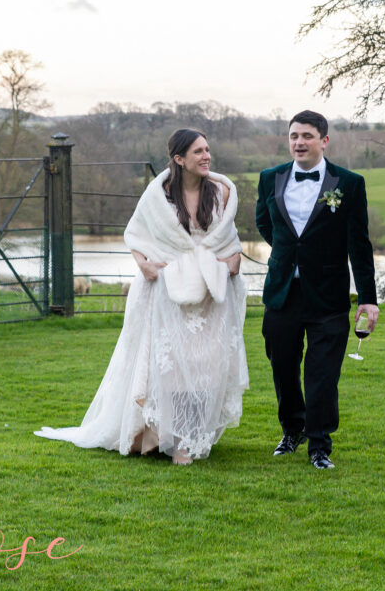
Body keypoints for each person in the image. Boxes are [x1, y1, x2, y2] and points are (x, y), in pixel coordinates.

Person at [36, 129, 248, 465]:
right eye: (198, 151)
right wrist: (145, 265)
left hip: (209, 295)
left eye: (207, 150)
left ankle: (193, 434)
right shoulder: (158, 196)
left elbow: (230, 242)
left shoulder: (220, 193)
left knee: (204, 366)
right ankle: (176, 442)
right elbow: (136, 235)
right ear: (179, 159)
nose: (206, 156)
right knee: (174, 367)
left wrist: (230, 263)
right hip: (167, 293)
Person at [255, 110, 379, 470]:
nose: (299, 142)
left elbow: (359, 244)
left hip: (328, 294)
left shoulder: (349, 183)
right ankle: (292, 431)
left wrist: (368, 299)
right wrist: (289, 253)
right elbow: (266, 223)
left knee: (323, 375)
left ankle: (320, 446)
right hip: (283, 292)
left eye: (307, 136)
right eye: (294, 136)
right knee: (283, 368)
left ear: (324, 141)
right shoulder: (270, 178)